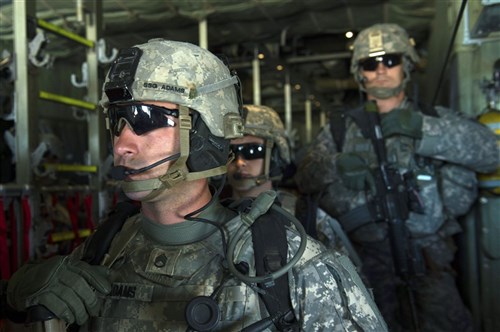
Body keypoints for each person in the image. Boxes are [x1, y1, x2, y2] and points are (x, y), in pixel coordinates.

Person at [1, 39, 387, 331]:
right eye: (117, 121)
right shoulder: (103, 248)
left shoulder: (293, 268)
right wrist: (17, 293)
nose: (122, 145)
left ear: (205, 132)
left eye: (148, 118)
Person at [294, 23, 499, 332]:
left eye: (390, 60)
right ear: (359, 73)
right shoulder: (340, 129)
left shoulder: (434, 119)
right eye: (369, 63)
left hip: (429, 260)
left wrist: (424, 131)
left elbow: (490, 153)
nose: (380, 69)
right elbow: (305, 178)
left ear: (407, 65)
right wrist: (338, 164)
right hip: (363, 265)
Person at [228, 104, 358, 262]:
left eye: (253, 151)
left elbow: (346, 279)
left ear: (276, 155)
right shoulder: (209, 217)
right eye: (231, 152)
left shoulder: (306, 217)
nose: (240, 162)